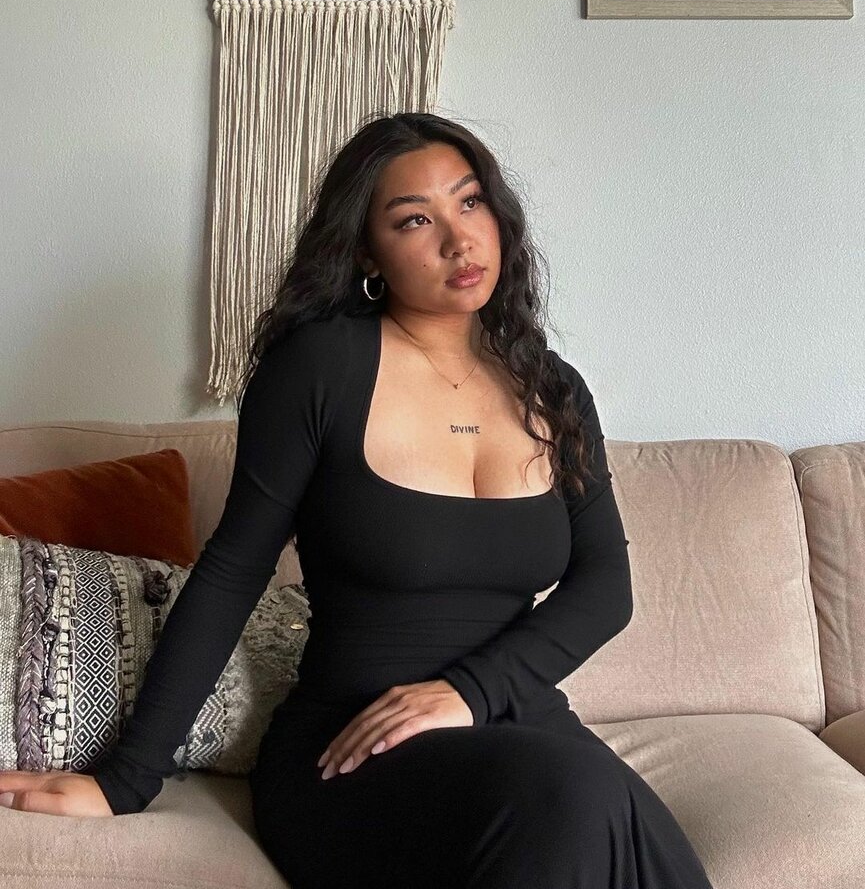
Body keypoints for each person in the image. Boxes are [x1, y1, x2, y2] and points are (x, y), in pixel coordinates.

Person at [0, 112, 714, 889]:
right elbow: (232, 572)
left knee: (620, 825)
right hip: (353, 745)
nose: (457, 239)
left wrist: (469, 692)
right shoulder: (320, 370)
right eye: (415, 220)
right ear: (368, 253)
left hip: (520, 730)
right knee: (572, 796)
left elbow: (605, 586)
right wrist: (124, 780)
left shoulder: (552, 387)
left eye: (470, 202)